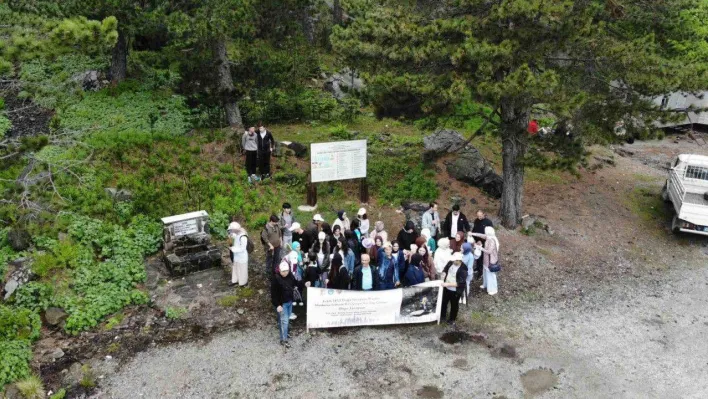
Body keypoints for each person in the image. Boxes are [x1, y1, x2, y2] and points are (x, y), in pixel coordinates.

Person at [271, 261, 310, 348]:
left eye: (286, 271)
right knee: (284, 321)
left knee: (287, 319)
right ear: (279, 271)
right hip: (282, 304)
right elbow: (273, 294)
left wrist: (304, 283)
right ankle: (283, 340)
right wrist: (277, 305)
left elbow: (296, 283)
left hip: (289, 302)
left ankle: (285, 334)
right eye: (283, 271)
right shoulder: (276, 279)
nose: (285, 273)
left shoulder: (290, 276)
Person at [440, 252, 468, 326]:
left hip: (455, 291)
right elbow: (445, 269)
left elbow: (460, 283)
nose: (453, 261)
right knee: (443, 302)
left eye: (455, 260)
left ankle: (452, 319)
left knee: (454, 305)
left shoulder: (463, 269)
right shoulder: (450, 262)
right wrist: (443, 274)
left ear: (459, 261)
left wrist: (447, 284)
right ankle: (442, 315)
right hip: (446, 288)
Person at [471, 226, 500, 296]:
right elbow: (481, 235)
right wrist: (472, 233)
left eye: (486, 232)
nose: (485, 233)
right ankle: (485, 284)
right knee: (485, 273)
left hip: (490, 260)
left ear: (488, 232)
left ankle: (493, 289)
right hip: (486, 259)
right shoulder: (488, 237)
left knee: (490, 275)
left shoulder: (492, 240)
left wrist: (480, 248)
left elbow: (489, 251)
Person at [472, 210, 493, 280]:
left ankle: (481, 272)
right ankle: (477, 268)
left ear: (484, 214)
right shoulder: (476, 220)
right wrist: (475, 240)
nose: (479, 217)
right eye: (477, 216)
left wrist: (481, 241)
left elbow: (490, 235)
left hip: (484, 243)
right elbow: (474, 230)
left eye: (480, 216)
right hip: (477, 241)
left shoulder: (488, 222)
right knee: (477, 255)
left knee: (482, 258)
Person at [227, 221, 248, 287]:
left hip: (242, 257)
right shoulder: (237, 234)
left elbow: (242, 248)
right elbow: (233, 236)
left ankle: (243, 283)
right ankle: (235, 280)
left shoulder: (243, 237)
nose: (232, 231)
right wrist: (230, 235)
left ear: (236, 229)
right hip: (236, 256)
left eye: (232, 230)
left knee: (242, 270)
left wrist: (232, 249)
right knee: (235, 268)